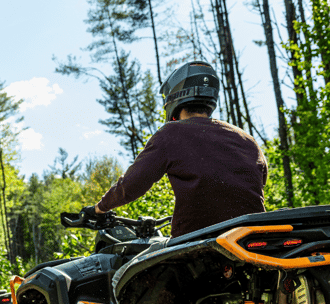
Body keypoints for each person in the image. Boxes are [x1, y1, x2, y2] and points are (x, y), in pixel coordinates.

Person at [85, 61, 268, 238]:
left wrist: (99, 208)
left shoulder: (171, 133)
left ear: (174, 98)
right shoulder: (247, 139)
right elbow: (259, 181)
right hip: (253, 239)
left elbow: (131, 184)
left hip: (197, 244)